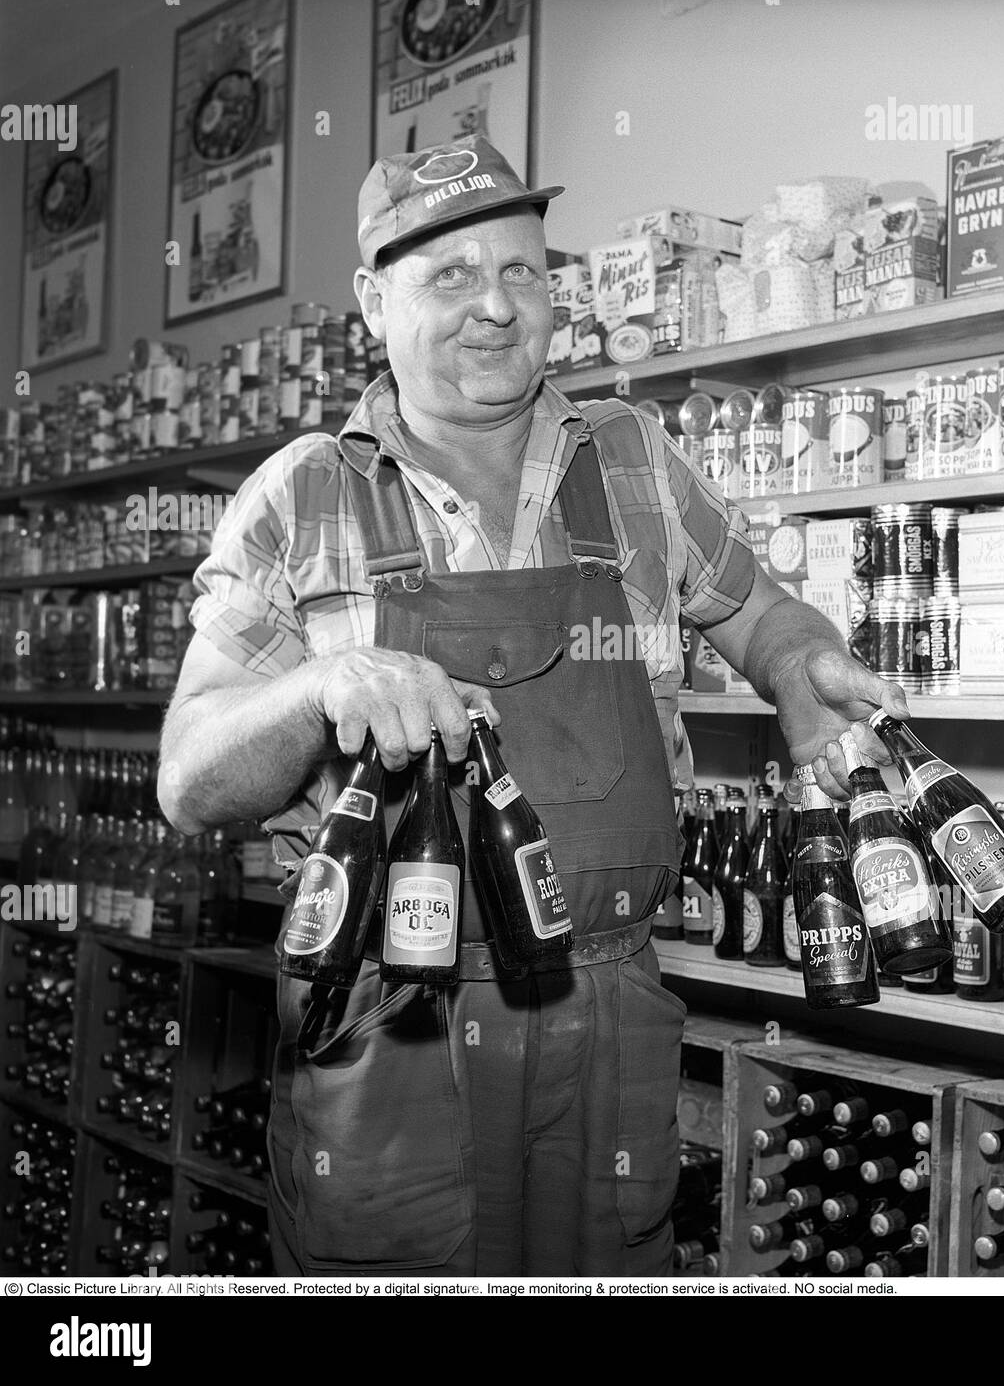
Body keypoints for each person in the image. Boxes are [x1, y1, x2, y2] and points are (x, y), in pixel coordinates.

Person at [158, 134, 909, 1277]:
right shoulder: (305, 495)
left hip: (606, 1006)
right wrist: (320, 688)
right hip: (391, 1020)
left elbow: (760, 615)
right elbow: (189, 782)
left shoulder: (633, 458)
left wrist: (802, 667)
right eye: (449, 277)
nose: (496, 308)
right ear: (372, 298)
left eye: (520, 271)